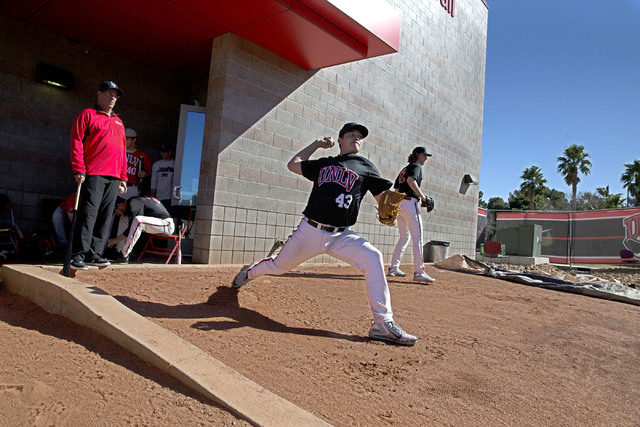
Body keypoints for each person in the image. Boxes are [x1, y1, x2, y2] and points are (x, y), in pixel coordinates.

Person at [231, 122, 418, 346]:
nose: (357, 138)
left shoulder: (366, 166)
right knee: (278, 266)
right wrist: (316, 145)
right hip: (309, 231)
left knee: (373, 257)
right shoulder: (325, 163)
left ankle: (382, 324)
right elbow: (293, 164)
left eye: (360, 136)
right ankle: (249, 273)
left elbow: (382, 200)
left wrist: (391, 212)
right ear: (340, 140)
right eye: (351, 134)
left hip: (342, 236)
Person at [69, 81, 127, 270]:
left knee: (105, 217)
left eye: (115, 95)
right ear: (99, 94)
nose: (113, 98)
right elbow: (76, 141)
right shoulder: (87, 115)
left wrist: (123, 177)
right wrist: (78, 168)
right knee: (88, 214)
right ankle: (78, 255)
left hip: (113, 176)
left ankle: (94, 254)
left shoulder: (118, 122)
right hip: (94, 173)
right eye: (109, 93)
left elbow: (122, 150)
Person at [388, 146, 436, 283]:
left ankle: (393, 268)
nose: (426, 158)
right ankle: (419, 272)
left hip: (399, 204)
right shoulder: (416, 166)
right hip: (410, 203)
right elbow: (411, 180)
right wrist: (423, 197)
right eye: (424, 155)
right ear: (417, 155)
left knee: (404, 237)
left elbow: (397, 189)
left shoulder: (404, 169)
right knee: (417, 237)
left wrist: (396, 207)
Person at [107, 196, 174, 262]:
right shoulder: (133, 202)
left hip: (167, 225)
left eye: (116, 211)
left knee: (138, 220)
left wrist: (114, 240)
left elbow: (130, 230)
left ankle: (124, 255)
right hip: (157, 223)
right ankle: (119, 250)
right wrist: (114, 241)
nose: (117, 214)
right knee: (124, 218)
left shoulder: (133, 203)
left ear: (119, 206)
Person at [123, 128, 151, 199]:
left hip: (132, 187)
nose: (125, 140)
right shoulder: (119, 151)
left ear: (134, 140)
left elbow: (149, 172)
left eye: (127, 139)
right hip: (119, 185)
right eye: (123, 138)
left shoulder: (142, 155)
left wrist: (144, 174)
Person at [150, 143, 175, 209]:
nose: (162, 153)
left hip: (171, 198)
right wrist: (152, 196)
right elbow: (154, 181)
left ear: (170, 152)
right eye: (161, 151)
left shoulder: (174, 164)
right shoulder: (156, 164)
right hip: (159, 197)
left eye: (165, 152)